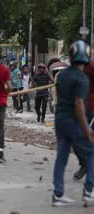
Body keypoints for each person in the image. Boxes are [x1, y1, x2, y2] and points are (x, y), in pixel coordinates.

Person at [52, 40, 94, 206]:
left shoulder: (61, 75)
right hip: (74, 122)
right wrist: (86, 129)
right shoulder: (82, 80)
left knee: (61, 156)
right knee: (91, 151)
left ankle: (58, 194)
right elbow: (78, 105)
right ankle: (89, 190)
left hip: (59, 120)